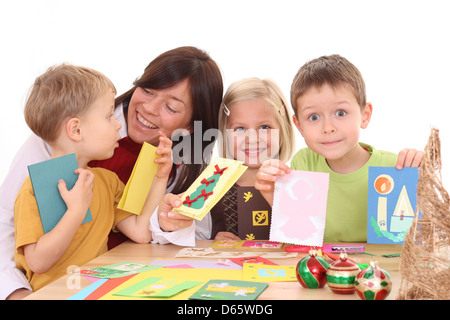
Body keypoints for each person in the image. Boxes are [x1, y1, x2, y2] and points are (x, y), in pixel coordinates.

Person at [0, 46, 223, 299]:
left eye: (171, 108)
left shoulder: (109, 182)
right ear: (75, 129)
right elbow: (21, 243)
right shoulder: (46, 166)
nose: (148, 108)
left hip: (108, 286)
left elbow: (146, 231)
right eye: (147, 90)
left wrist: (162, 185)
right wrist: (14, 292)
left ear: (192, 128)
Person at [13, 64, 173, 291]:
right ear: (76, 130)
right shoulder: (34, 189)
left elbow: (140, 232)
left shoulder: (107, 182)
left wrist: (160, 178)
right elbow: (38, 262)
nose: (118, 123)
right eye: (108, 116)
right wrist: (76, 211)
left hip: (98, 291)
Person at [254, 54, 424, 242]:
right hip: (325, 268)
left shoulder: (395, 167)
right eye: (313, 117)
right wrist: (273, 194)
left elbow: (419, 236)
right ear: (299, 125)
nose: (328, 128)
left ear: (365, 115)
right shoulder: (304, 163)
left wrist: (426, 176)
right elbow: (299, 235)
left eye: (340, 113)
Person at [150, 77, 295, 246]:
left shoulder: (298, 184)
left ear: (283, 129)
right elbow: (177, 237)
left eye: (264, 127)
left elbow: (312, 240)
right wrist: (209, 243)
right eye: (240, 129)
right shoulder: (210, 184)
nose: (253, 139)